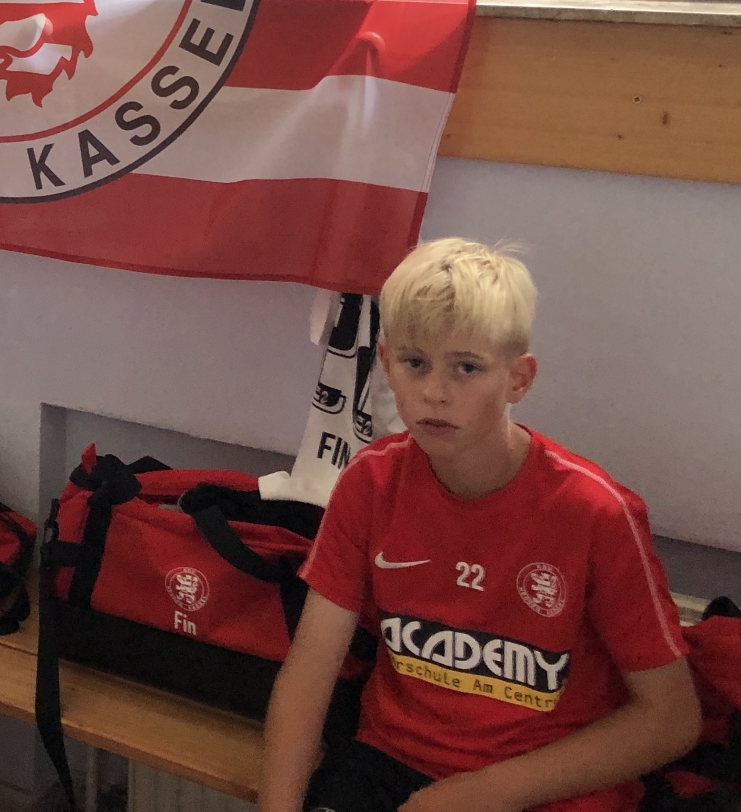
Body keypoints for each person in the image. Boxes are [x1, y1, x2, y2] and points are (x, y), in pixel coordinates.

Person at [260, 238, 699, 812]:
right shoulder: (370, 482)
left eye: (466, 368)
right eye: (415, 363)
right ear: (386, 364)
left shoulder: (596, 512)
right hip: (388, 765)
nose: (435, 392)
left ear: (518, 379)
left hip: (540, 784)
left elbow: (670, 720)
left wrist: (472, 796)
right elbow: (309, 675)